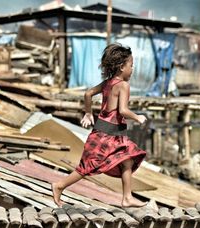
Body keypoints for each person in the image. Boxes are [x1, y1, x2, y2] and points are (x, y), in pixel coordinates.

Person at [52, 43, 148, 208]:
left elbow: (88, 93)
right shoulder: (123, 85)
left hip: (112, 135)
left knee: (128, 160)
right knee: (86, 167)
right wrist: (137, 117)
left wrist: (88, 113)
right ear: (121, 67)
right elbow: (123, 110)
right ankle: (59, 185)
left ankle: (127, 197)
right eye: (131, 66)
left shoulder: (108, 83)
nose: (132, 69)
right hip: (105, 137)